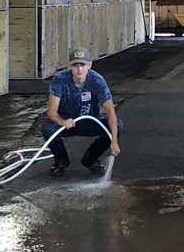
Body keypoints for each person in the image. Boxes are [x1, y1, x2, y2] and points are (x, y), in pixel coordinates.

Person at [42, 48, 123, 177]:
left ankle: (91, 158)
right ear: (69, 66)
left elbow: (110, 111)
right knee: (47, 128)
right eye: (75, 65)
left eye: (83, 65)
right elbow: (51, 112)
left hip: (89, 121)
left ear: (89, 65)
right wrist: (61, 121)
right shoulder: (60, 79)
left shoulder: (97, 80)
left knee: (118, 126)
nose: (79, 69)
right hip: (66, 123)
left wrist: (114, 141)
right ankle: (61, 161)